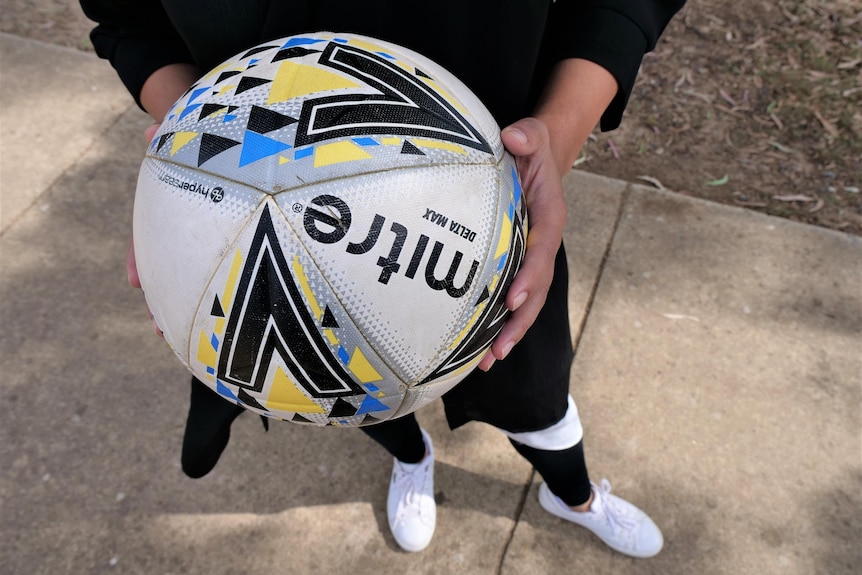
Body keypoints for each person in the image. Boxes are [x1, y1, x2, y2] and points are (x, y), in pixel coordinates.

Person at [81, 0, 685, 557]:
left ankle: (572, 494)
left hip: (471, 219)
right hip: (239, 205)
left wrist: (555, 139)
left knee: (534, 393)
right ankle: (411, 457)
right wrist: (199, 141)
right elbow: (128, 17)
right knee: (362, 389)